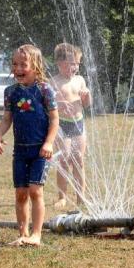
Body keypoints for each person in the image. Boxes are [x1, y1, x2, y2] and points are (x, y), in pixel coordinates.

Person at [0, 44, 59, 247]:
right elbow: (6, 119)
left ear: (36, 66)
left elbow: (55, 119)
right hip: (20, 150)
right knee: (20, 193)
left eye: (23, 64)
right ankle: (23, 233)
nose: (18, 68)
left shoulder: (44, 90)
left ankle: (37, 234)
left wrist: (49, 143)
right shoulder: (10, 92)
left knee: (35, 191)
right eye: (14, 64)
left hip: (40, 150)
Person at [50, 43, 91, 209]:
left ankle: (81, 197)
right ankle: (62, 197)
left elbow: (87, 104)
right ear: (59, 63)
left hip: (78, 123)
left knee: (79, 159)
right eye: (70, 63)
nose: (74, 67)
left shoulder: (80, 80)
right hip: (61, 125)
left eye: (77, 64)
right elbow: (48, 104)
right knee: (64, 158)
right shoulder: (54, 81)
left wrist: (86, 96)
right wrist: (59, 104)